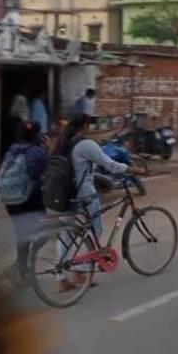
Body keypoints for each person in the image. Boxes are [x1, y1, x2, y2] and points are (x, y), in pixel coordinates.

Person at [55, 114, 142, 293]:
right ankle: (81, 270)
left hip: (64, 194)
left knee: (65, 235)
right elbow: (110, 165)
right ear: (85, 126)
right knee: (96, 230)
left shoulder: (63, 143)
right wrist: (133, 169)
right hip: (84, 195)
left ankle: (61, 278)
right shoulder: (86, 144)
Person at [0, 120, 49, 284]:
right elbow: (48, 173)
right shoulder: (38, 153)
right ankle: (21, 268)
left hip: (12, 203)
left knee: (22, 236)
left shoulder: (12, 151)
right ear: (38, 136)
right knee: (45, 233)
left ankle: (21, 271)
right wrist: (48, 149)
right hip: (30, 202)